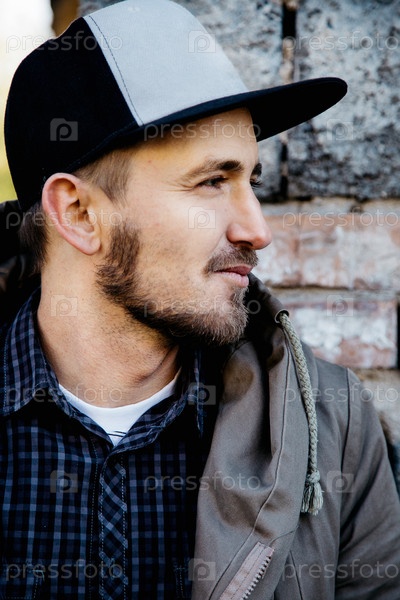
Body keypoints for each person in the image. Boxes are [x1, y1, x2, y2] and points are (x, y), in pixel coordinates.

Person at [1, 1, 399, 598]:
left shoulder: (332, 425)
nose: (257, 230)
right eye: (213, 181)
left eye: (250, 182)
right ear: (79, 213)